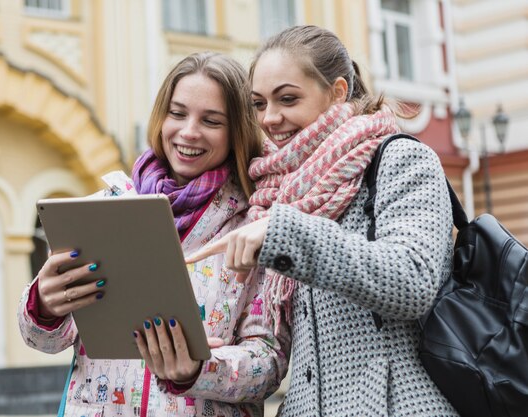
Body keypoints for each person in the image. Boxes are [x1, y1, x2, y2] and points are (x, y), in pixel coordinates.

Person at [187, 26, 460, 416]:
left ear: (338, 91)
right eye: (259, 103)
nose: (270, 118)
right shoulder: (278, 191)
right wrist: (208, 357)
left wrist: (288, 234)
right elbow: (274, 346)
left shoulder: (401, 160)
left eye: (287, 99)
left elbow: (413, 281)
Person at [18, 52, 290, 417]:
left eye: (211, 120)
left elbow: (270, 364)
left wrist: (198, 369)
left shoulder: (254, 225)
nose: (189, 131)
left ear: (236, 132)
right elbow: (44, 340)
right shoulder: (103, 209)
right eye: (177, 113)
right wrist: (45, 304)